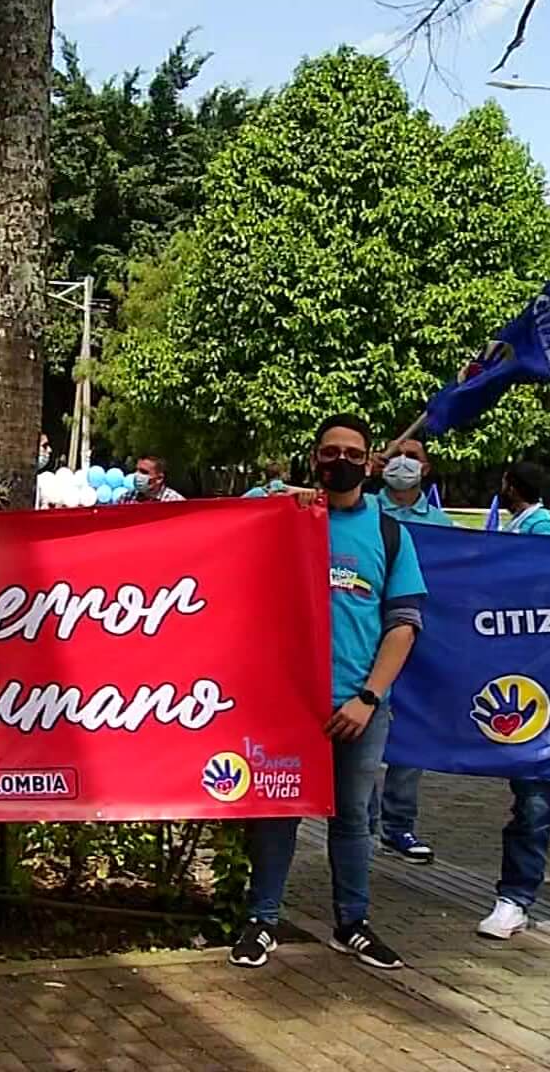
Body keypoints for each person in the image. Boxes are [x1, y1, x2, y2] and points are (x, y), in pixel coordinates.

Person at [230, 414, 423, 972]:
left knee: (353, 818)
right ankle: (262, 919)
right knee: (276, 813)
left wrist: (368, 697)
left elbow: (404, 623)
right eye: (329, 451)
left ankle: (353, 923)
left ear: (370, 463)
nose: (340, 461)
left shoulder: (390, 533)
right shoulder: (285, 522)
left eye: (352, 453)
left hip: (359, 706)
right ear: (314, 459)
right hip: (287, 703)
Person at [476, 459, 550, 940]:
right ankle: (514, 899)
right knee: (534, 806)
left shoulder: (539, 531)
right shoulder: (540, 541)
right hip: (548, 700)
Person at [356, 438, 452, 866]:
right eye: (396, 454)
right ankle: (363, 823)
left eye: (413, 457)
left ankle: (398, 826)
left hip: (417, 645)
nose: (403, 463)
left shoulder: (442, 524)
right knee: (363, 738)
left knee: (410, 740)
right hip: (363, 644)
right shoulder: (364, 512)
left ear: (426, 468)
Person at [499, 461, 550, 535]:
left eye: (504, 485)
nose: (501, 491)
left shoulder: (542, 525)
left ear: (512, 490)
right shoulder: (521, 519)